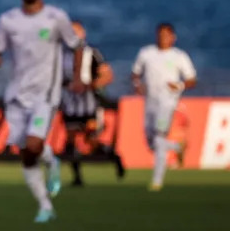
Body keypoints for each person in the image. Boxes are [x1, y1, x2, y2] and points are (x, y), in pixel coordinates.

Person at [0, 0, 83, 223]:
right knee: (27, 153)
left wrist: (76, 78)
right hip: (17, 95)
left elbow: (77, 46)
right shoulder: (8, 20)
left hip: (46, 94)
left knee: (32, 144)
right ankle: (45, 203)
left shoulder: (55, 18)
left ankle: (47, 159)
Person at [131, 23, 196, 191]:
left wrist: (180, 85)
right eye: (160, 34)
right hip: (150, 102)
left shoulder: (179, 56)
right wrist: (137, 84)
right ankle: (176, 146)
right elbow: (135, 73)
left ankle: (157, 181)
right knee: (151, 142)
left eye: (167, 35)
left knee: (159, 138)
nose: (163, 38)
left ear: (173, 37)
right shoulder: (146, 53)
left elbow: (191, 79)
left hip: (167, 103)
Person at [59, 20, 125, 186]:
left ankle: (115, 158)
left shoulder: (92, 54)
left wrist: (89, 85)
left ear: (83, 35)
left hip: (89, 104)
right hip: (70, 104)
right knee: (70, 140)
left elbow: (107, 75)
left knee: (92, 140)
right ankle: (77, 177)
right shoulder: (60, 55)